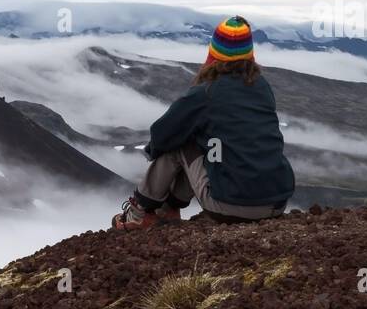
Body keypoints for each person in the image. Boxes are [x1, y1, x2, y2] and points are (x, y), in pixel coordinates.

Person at [112, 16, 295, 228]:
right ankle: (170, 209)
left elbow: (163, 134)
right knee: (207, 141)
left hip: (232, 206)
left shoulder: (206, 93)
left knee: (180, 143)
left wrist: (153, 151)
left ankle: (140, 212)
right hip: (277, 203)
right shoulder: (262, 87)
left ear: (214, 54)